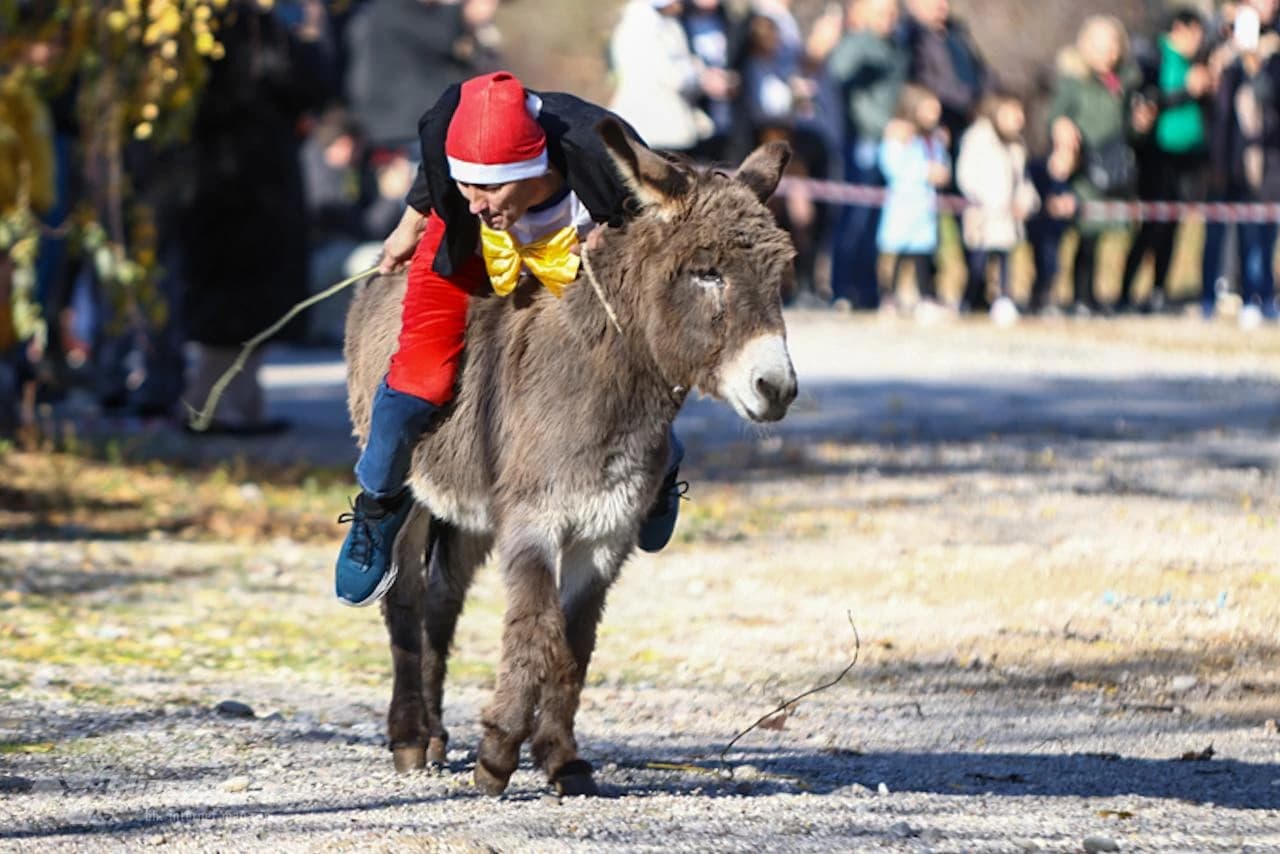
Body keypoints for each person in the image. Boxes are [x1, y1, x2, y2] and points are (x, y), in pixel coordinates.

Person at [334, 71, 689, 607]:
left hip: (575, 251)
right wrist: (407, 228)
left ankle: (662, 468)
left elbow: (664, 227)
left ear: (535, 169)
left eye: (492, 187)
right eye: (468, 185)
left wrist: (611, 242)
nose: (478, 200)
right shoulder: (448, 131)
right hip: (464, 248)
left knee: (629, 369)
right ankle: (378, 505)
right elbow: (441, 184)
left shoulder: (600, 148)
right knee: (418, 379)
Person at [179, 0, 335, 434]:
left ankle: (240, 404)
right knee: (235, 301)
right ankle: (212, 406)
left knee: (245, 301)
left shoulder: (215, 25)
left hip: (235, 179)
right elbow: (305, 82)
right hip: (245, 181)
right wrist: (310, 35)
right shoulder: (247, 29)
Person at [1046, 15, 1154, 315]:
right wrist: (1062, 127)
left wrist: (1140, 125)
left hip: (1114, 164)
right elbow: (1055, 116)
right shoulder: (1073, 81)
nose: (1110, 54)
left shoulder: (1125, 82)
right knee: (1087, 232)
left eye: (1114, 46)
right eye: (1102, 47)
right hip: (1084, 165)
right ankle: (1080, 295)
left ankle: (1099, 295)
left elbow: (1127, 129)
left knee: (1108, 233)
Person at [1117, 9, 1211, 314]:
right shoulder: (1151, 58)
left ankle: (1159, 291)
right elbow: (1149, 102)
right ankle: (1125, 292)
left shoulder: (1196, 62)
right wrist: (1187, 92)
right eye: (1195, 34)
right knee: (1151, 227)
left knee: (1173, 227)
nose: (1199, 41)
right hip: (1157, 158)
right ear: (1179, 29)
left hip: (1188, 160)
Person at [826, 0, 908, 311]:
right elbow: (838, 71)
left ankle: (867, 288)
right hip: (863, 140)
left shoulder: (896, 46)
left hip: (891, 143)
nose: (890, 19)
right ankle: (841, 287)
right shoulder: (860, 43)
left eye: (893, 13)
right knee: (855, 217)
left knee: (876, 220)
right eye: (883, 13)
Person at [1211, 1, 1280, 325]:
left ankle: (1262, 293)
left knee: (1265, 231)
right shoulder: (1224, 47)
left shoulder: (1274, 51)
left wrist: (1256, 65)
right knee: (1242, 231)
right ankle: (1241, 292)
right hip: (1236, 157)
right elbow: (1220, 110)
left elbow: (1269, 95)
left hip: (1270, 157)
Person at [956, 92, 1040, 322]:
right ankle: (970, 299)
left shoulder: (1016, 144)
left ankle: (1004, 298)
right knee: (979, 260)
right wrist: (983, 201)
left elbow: (1022, 180)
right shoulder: (977, 138)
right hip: (984, 212)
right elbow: (966, 175)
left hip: (1007, 215)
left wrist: (1026, 201)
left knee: (1004, 257)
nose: (1018, 118)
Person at [609, 0, 733, 156]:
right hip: (657, 128)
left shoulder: (661, 22)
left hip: (664, 127)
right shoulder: (643, 25)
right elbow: (672, 76)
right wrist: (703, 76)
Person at [877, 84, 950, 313]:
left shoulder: (933, 139)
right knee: (898, 251)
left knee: (922, 253)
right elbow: (891, 165)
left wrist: (941, 170)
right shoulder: (898, 135)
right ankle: (889, 296)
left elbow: (942, 165)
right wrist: (924, 171)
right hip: (904, 203)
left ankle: (926, 296)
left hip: (924, 206)